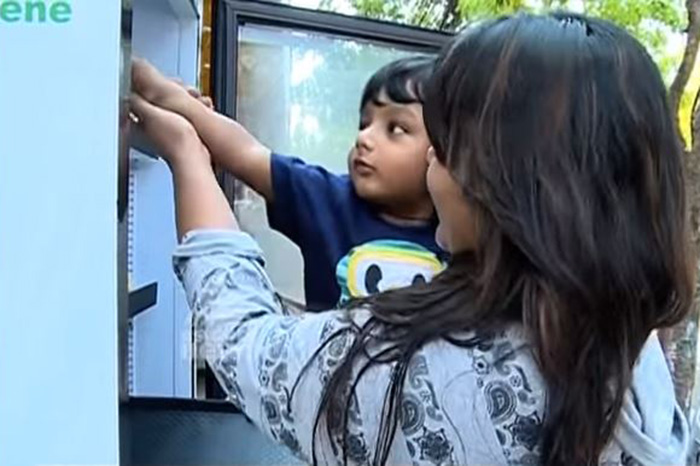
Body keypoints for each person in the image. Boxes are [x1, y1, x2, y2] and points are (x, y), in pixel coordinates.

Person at [130, 12, 693, 465]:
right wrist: (162, 95)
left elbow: (245, 347)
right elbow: (248, 152)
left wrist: (185, 154)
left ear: (511, 182)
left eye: (433, 138)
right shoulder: (628, 344)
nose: (429, 157)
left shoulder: (415, 369)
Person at [132, 56, 445, 311]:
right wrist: (165, 95)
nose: (364, 138)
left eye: (396, 129)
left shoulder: (466, 242)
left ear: (447, 154)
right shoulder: (327, 197)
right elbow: (248, 152)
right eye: (364, 123)